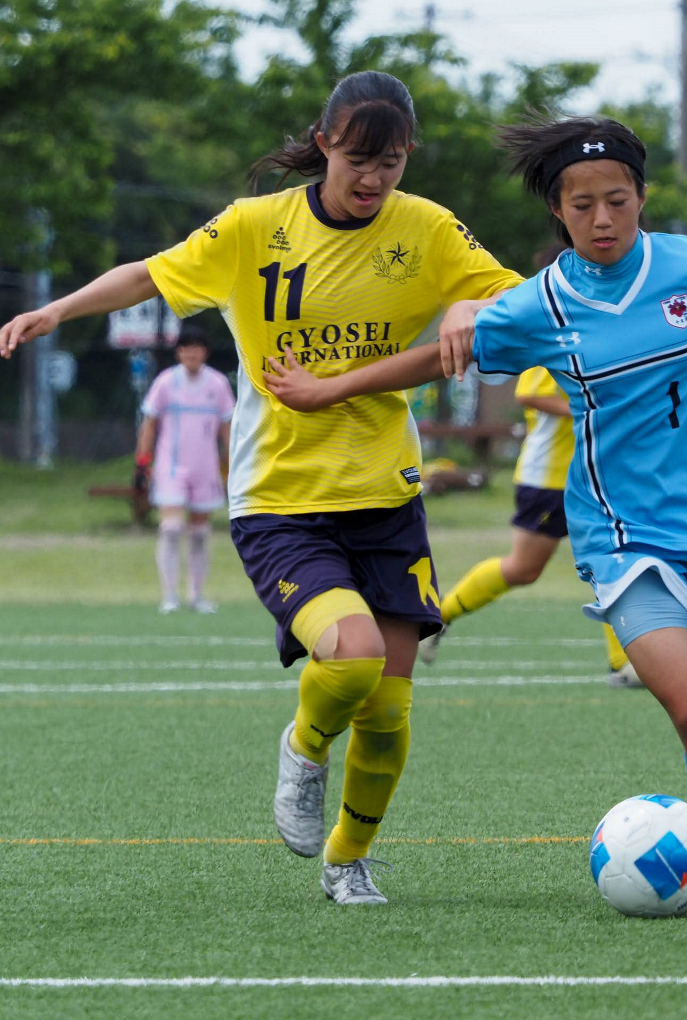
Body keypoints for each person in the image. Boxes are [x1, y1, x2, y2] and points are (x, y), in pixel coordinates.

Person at [260, 116, 687, 906]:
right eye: (583, 205)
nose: (603, 220)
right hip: (621, 532)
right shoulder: (545, 303)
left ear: (641, 200)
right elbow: (439, 354)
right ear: (558, 213)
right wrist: (329, 388)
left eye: (618, 201)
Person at [0, 71, 525, 905]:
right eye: (357, 158)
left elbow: (517, 299)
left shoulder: (426, 230)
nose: (372, 178)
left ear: (407, 157)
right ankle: (305, 748)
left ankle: (348, 862)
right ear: (322, 144)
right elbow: (149, 273)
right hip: (281, 498)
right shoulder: (254, 229)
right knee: (349, 660)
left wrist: (474, 310)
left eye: (389, 162)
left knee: (390, 713)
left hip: (386, 495)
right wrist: (55, 311)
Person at [419, 248, 640, 687]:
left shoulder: (605, 324)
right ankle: (436, 617)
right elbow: (530, 394)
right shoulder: (558, 325)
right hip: (551, 476)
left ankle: (624, 663)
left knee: (615, 561)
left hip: (595, 473)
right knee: (524, 567)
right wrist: (595, 407)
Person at [135, 327, 235, 614]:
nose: (191, 353)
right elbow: (150, 424)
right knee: (171, 528)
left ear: (205, 352)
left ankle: (196, 595)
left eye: (197, 347)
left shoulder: (217, 384)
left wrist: (230, 464)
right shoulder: (166, 382)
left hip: (205, 468)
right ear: (178, 352)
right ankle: (169, 596)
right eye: (186, 348)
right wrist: (143, 461)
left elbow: (227, 428)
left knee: (200, 532)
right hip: (171, 467)